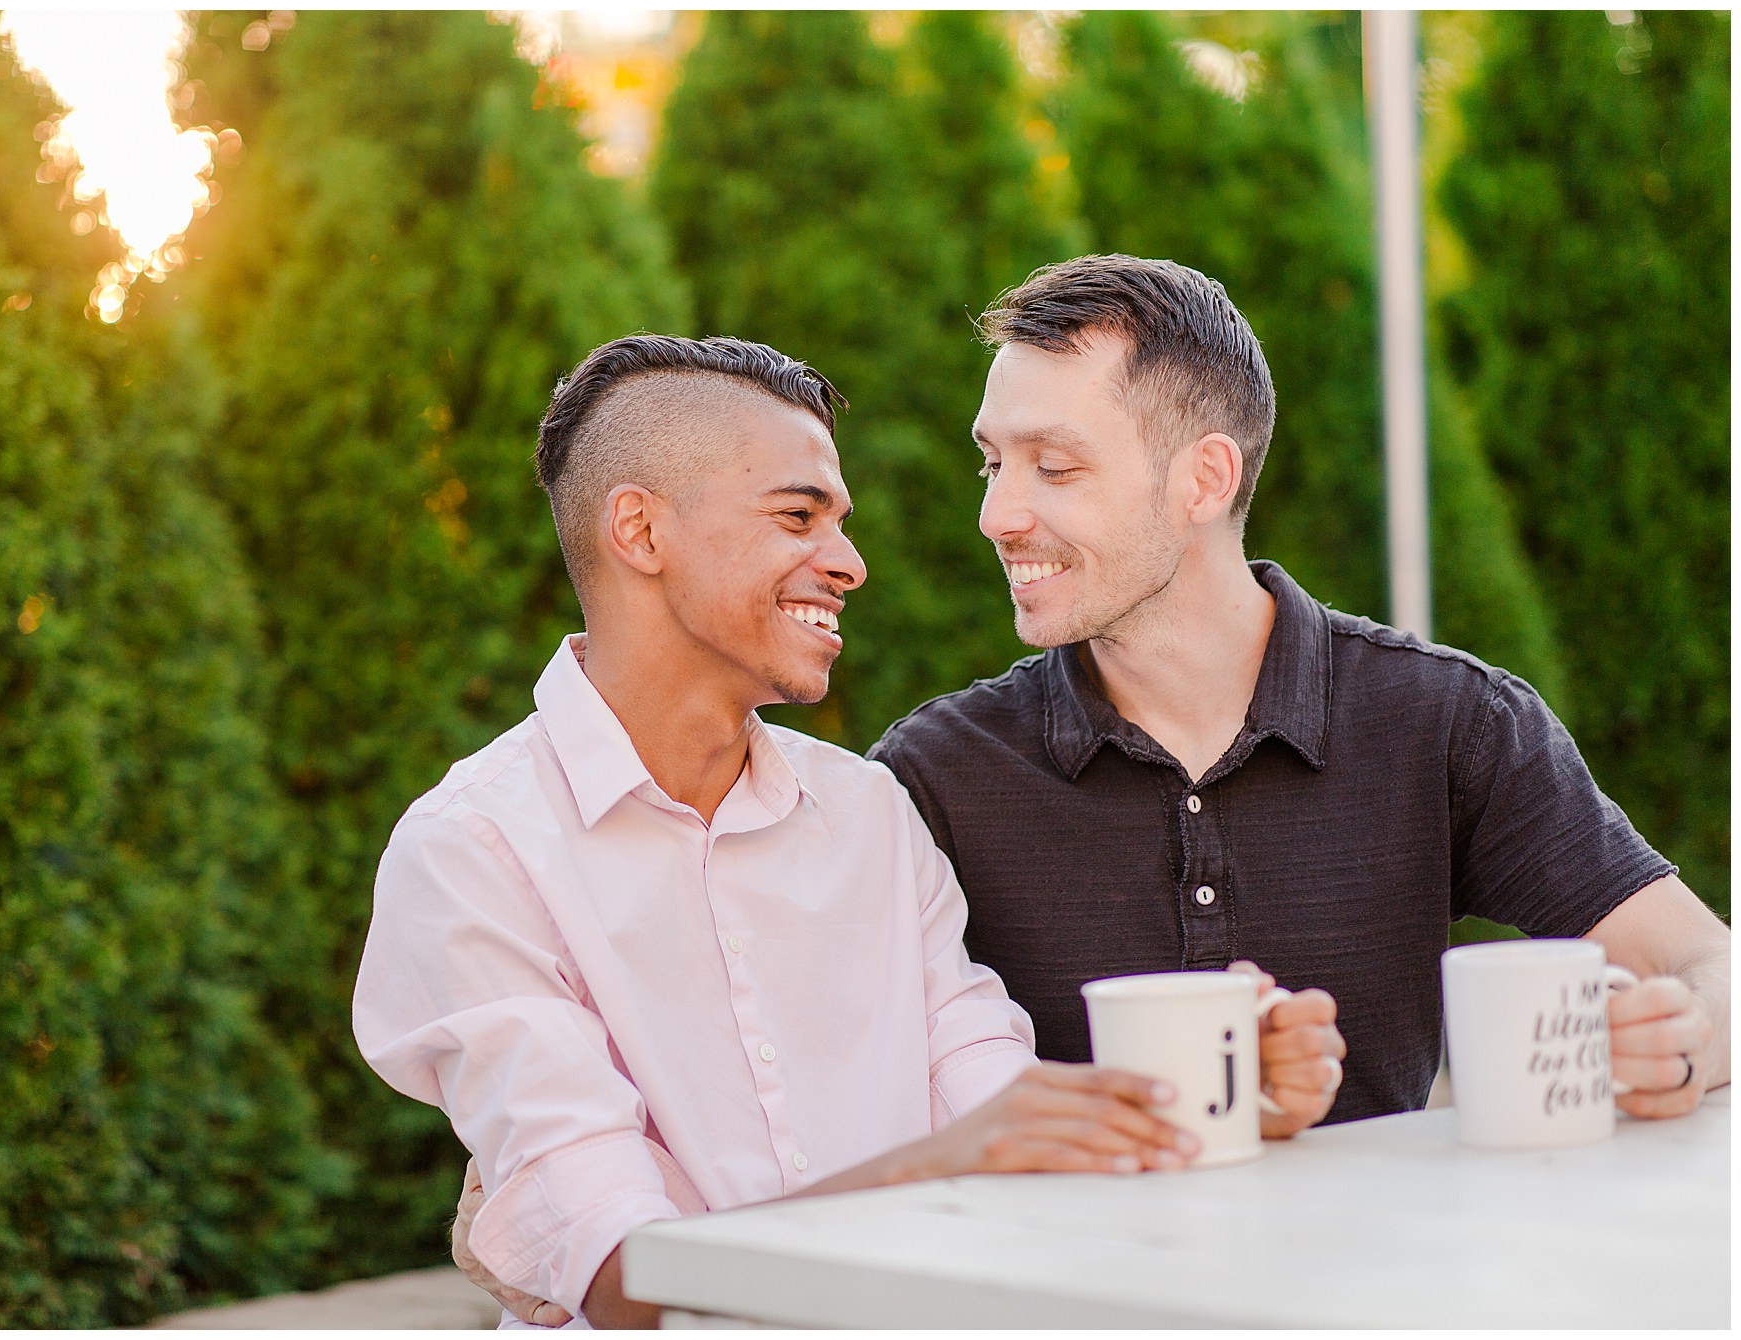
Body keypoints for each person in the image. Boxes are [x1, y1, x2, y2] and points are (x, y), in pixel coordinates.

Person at [351, 334, 1347, 1329]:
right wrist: (944, 1161)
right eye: (798, 515)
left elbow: (1000, 1106)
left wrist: (1202, 1097)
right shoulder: (472, 851)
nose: (849, 563)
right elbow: (624, 1274)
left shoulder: (868, 810)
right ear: (639, 531)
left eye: (839, 521)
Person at [867, 254, 1728, 1128]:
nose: (996, 514)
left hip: (1382, 1266)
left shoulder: (1447, 721)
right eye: (992, 463)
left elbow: (1705, 961)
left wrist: (1682, 1038)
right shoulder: (931, 775)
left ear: (1205, 478)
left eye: (1053, 467)